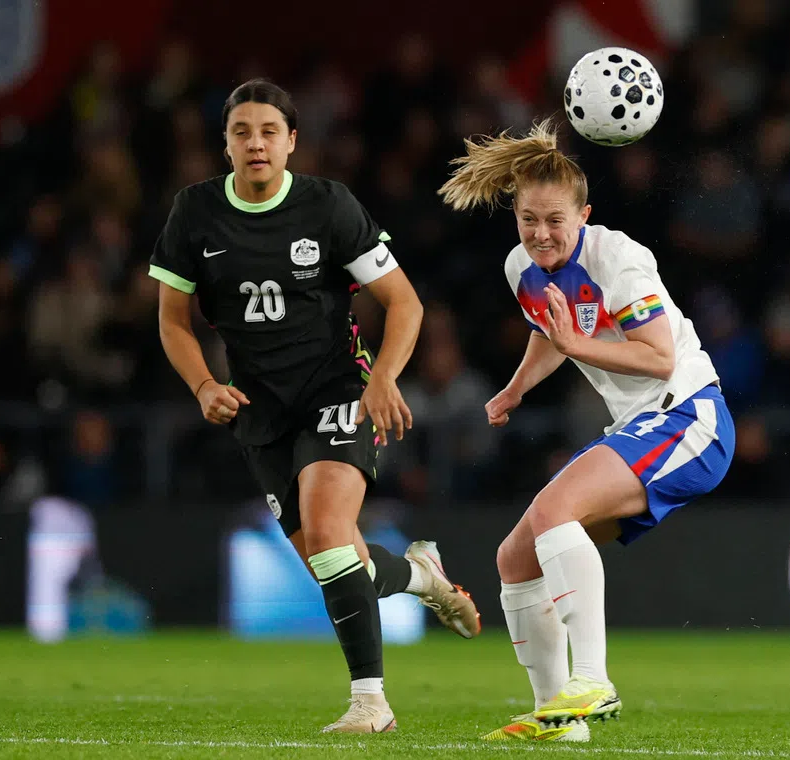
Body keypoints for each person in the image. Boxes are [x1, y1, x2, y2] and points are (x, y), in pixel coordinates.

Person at [150, 79, 480, 734]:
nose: (255, 143)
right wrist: (203, 386)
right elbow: (173, 321)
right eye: (241, 131)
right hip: (259, 412)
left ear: (292, 141)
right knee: (338, 565)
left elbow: (405, 303)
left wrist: (383, 378)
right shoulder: (194, 214)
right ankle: (420, 576)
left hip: (337, 391)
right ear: (226, 143)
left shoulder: (328, 206)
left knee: (330, 535)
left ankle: (370, 705)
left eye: (269, 131)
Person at [438, 119, 734, 742]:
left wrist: (575, 342)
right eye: (528, 219)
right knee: (514, 559)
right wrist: (518, 387)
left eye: (555, 220)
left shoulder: (619, 259)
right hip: (639, 425)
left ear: (585, 215)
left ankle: (593, 680)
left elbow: (657, 357)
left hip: (688, 417)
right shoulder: (522, 265)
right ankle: (560, 719)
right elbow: (552, 335)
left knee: (553, 511)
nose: (541, 234)